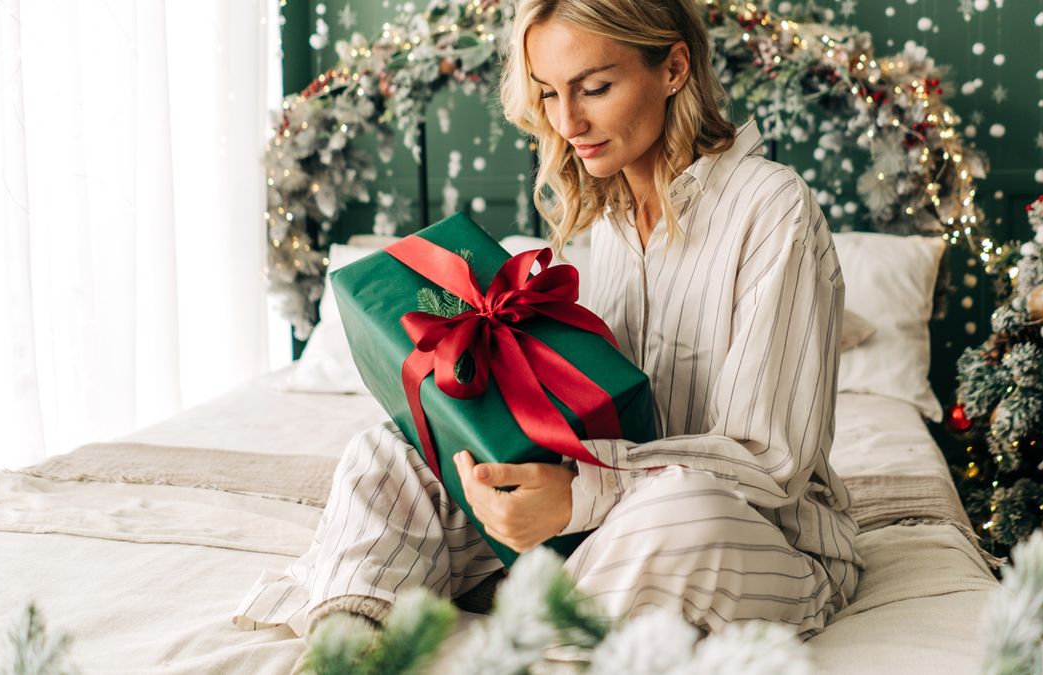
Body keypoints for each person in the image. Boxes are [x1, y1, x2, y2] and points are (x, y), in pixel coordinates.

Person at [232, 0, 860, 655]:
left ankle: (528, 631)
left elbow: (770, 461)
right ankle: (347, 645)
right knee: (387, 452)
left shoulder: (772, 207)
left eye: (594, 88)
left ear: (674, 67)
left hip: (757, 532)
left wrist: (581, 495)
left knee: (681, 514)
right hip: (600, 515)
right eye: (548, 94)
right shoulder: (607, 216)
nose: (567, 121)